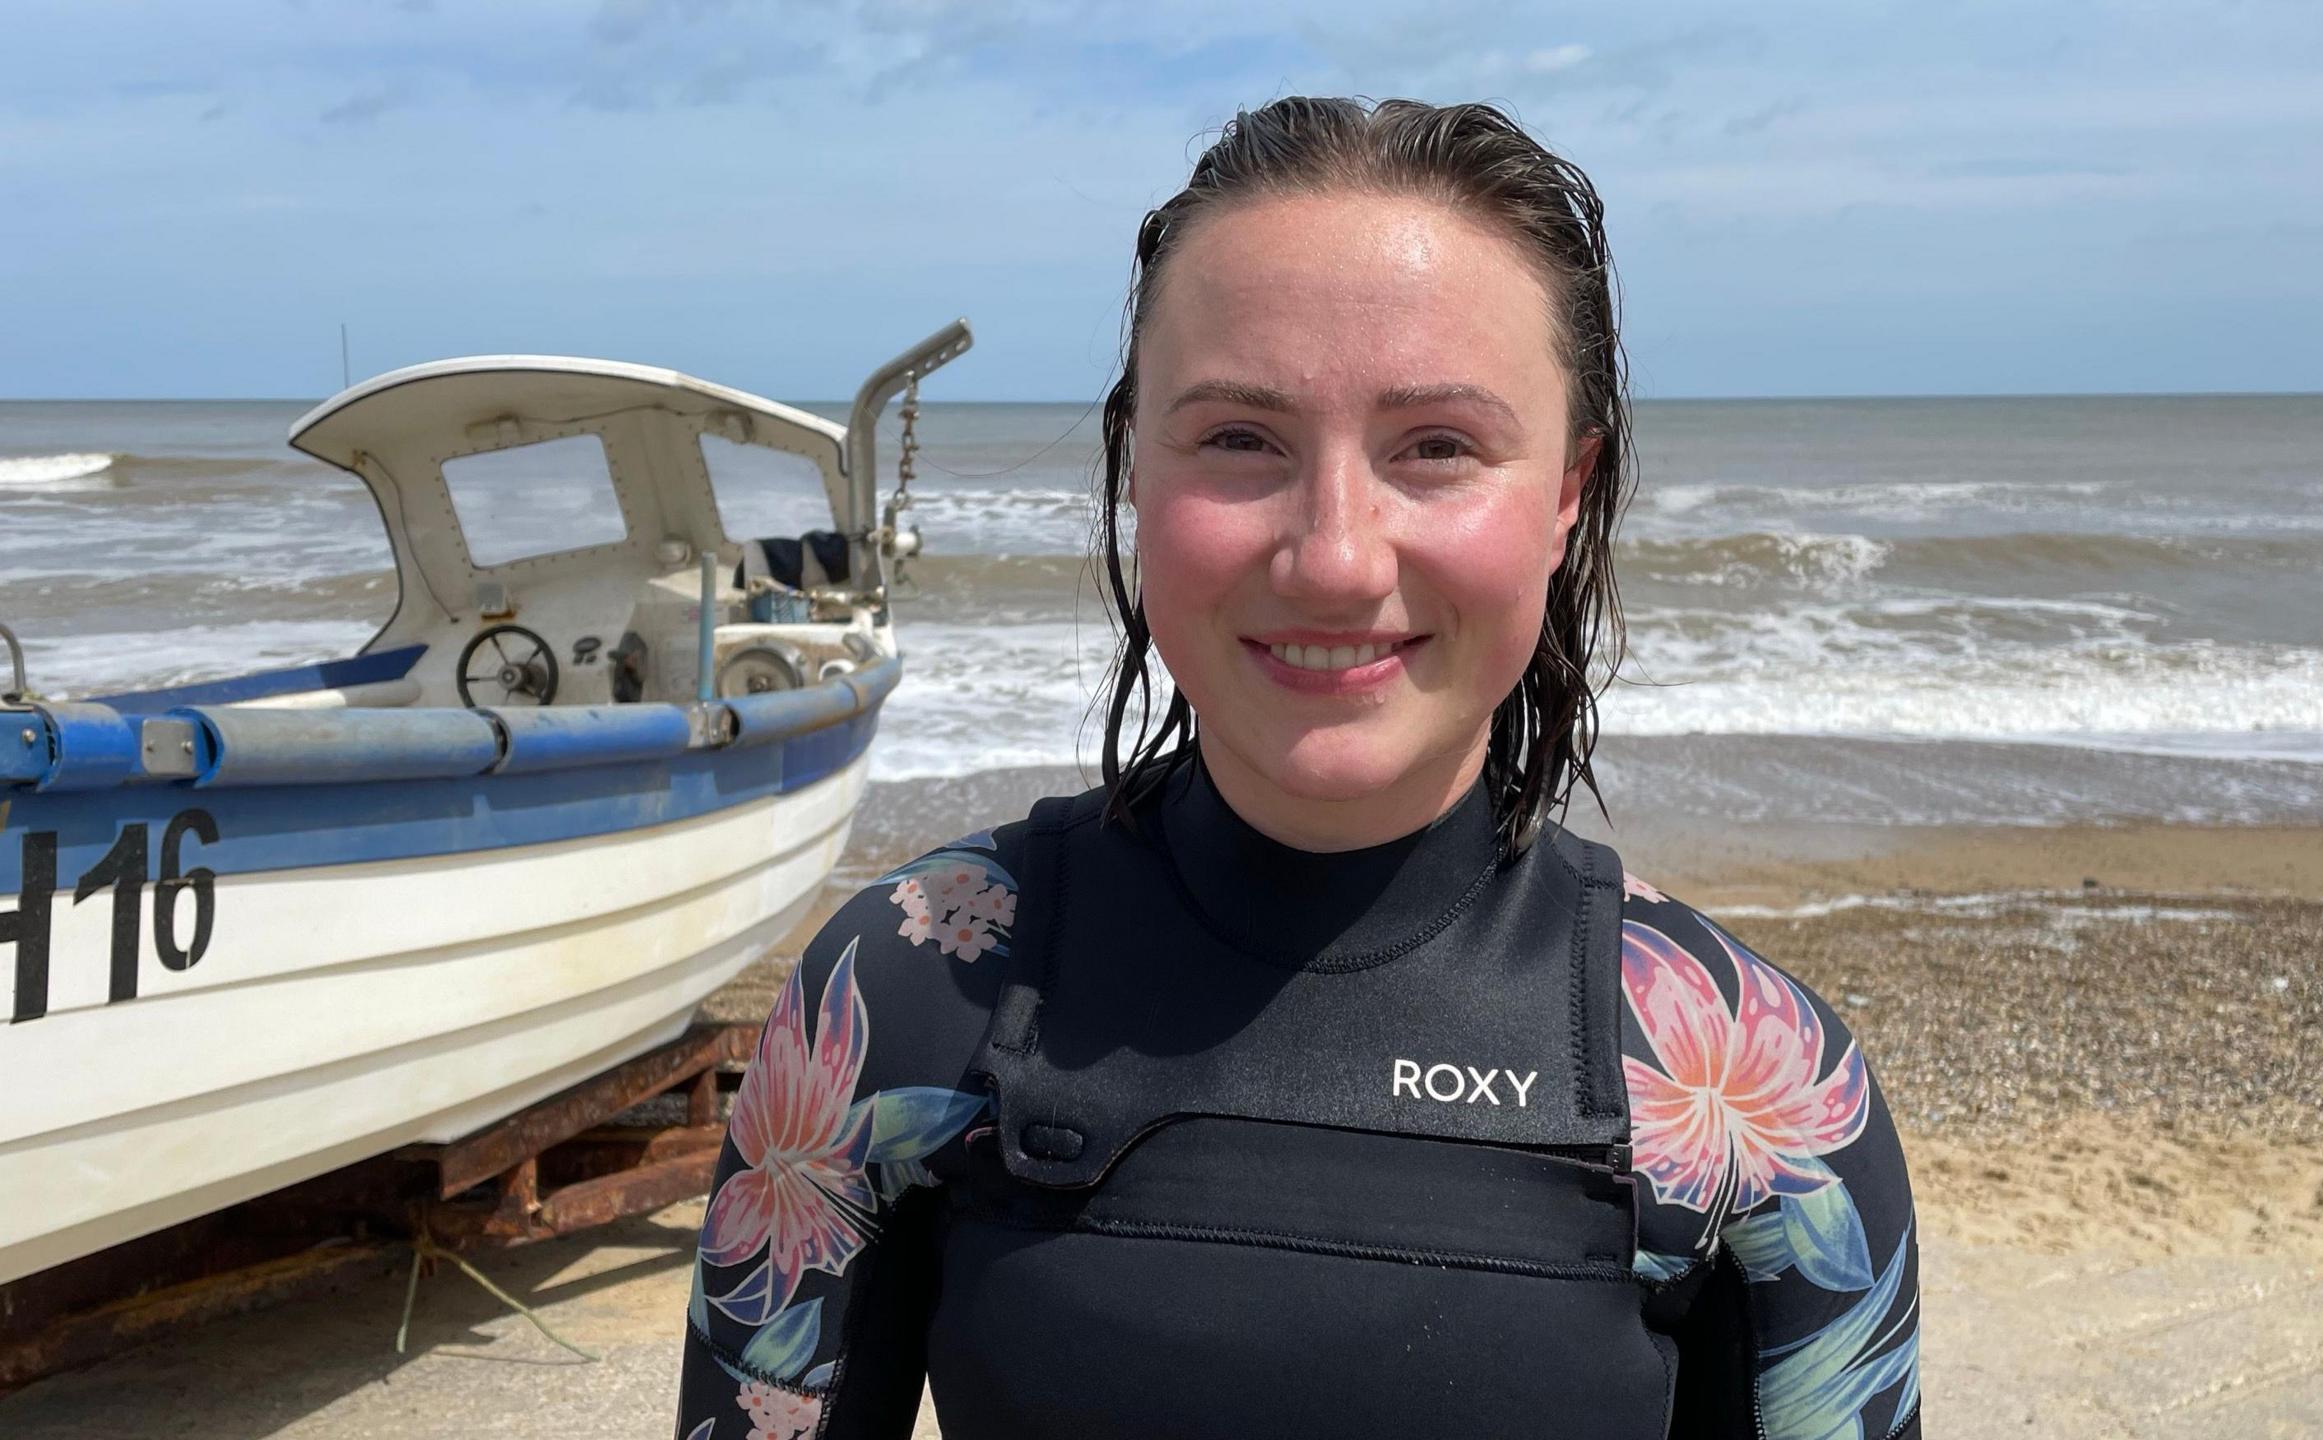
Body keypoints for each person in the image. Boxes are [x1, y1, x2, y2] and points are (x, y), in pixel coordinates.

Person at [674, 96, 1921, 1440]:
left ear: (1568, 491)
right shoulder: (904, 997)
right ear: (1132, 472)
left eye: (1437, 445)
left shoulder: (1764, 1092)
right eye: (1239, 440)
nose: (1334, 556)